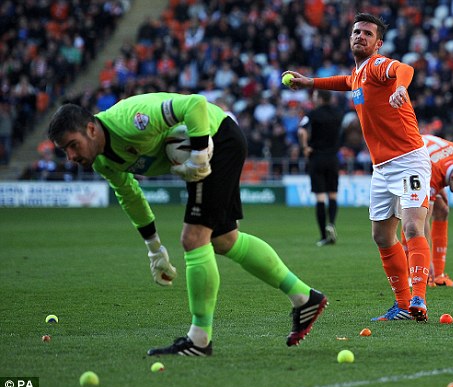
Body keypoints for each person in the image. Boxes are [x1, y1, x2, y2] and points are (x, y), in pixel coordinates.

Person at [47, 92, 328, 356]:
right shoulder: (101, 162)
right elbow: (130, 196)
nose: (71, 157)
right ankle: (305, 298)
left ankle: (199, 339)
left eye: (73, 145)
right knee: (224, 239)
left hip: (218, 137)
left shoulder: (130, 119)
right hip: (219, 143)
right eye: (64, 151)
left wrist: (198, 154)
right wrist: (154, 249)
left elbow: (195, 104)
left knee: (194, 238)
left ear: (91, 129)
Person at [284, 13, 432, 322]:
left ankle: (419, 297)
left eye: (367, 33)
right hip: (382, 168)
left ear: (378, 43)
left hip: (409, 161)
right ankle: (403, 305)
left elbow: (403, 69)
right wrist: (310, 82)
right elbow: (345, 82)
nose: (359, 36)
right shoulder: (358, 74)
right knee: (381, 236)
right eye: (356, 32)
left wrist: (401, 87)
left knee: (413, 226)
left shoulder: (378, 66)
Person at [401, 134, 453, 287]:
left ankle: (438, 275)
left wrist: (438, 189)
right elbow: (424, 221)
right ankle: (412, 274)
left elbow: (442, 172)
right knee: (415, 219)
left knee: (443, 210)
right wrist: (427, 258)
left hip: (424, 157)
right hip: (405, 162)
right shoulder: (431, 175)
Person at [297, 90, 343, 246]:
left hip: (317, 158)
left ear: (320, 98)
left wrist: (304, 147)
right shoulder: (338, 113)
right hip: (333, 158)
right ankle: (332, 223)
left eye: (315, 96)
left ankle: (324, 235)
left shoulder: (312, 113)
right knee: (333, 195)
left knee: (320, 197)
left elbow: (302, 130)